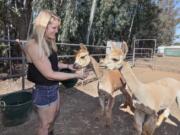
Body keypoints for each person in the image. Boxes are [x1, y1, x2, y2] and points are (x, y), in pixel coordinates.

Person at [24, 10, 88, 135]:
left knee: (53, 119)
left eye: (57, 27)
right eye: (54, 27)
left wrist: (68, 66)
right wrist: (76, 75)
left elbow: (52, 64)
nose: (57, 31)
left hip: (53, 87)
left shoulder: (47, 42)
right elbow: (50, 74)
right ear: (43, 27)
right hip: (43, 90)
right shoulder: (34, 45)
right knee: (45, 125)